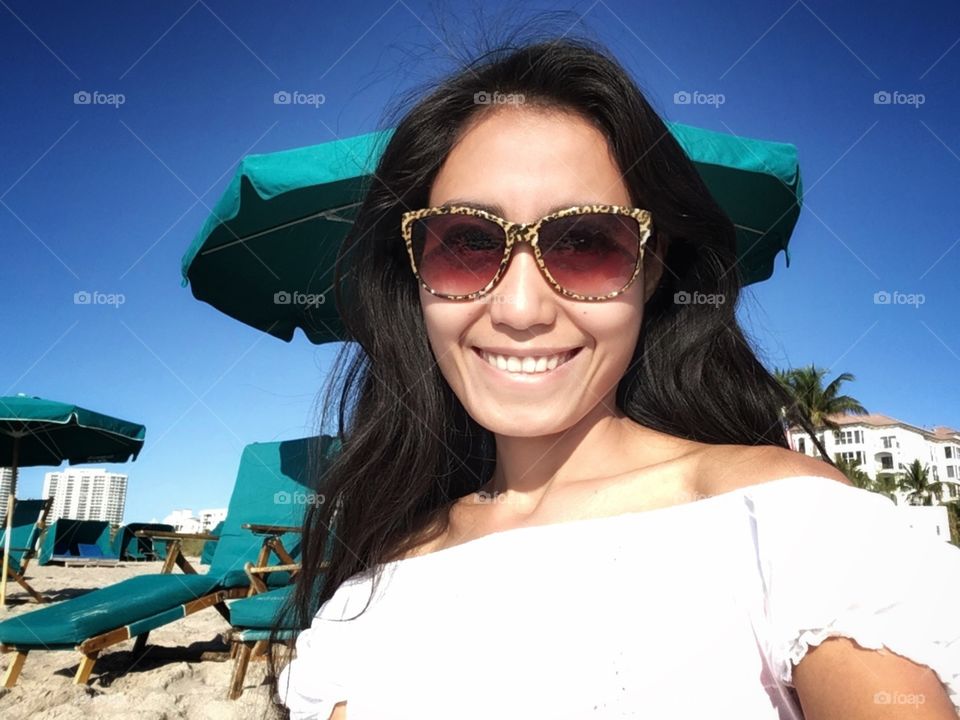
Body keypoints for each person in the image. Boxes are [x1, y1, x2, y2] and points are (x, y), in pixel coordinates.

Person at [270, 36, 960, 720]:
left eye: (585, 243)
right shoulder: (376, 586)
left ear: (652, 268)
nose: (519, 309)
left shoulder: (784, 522)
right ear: (416, 273)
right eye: (468, 243)